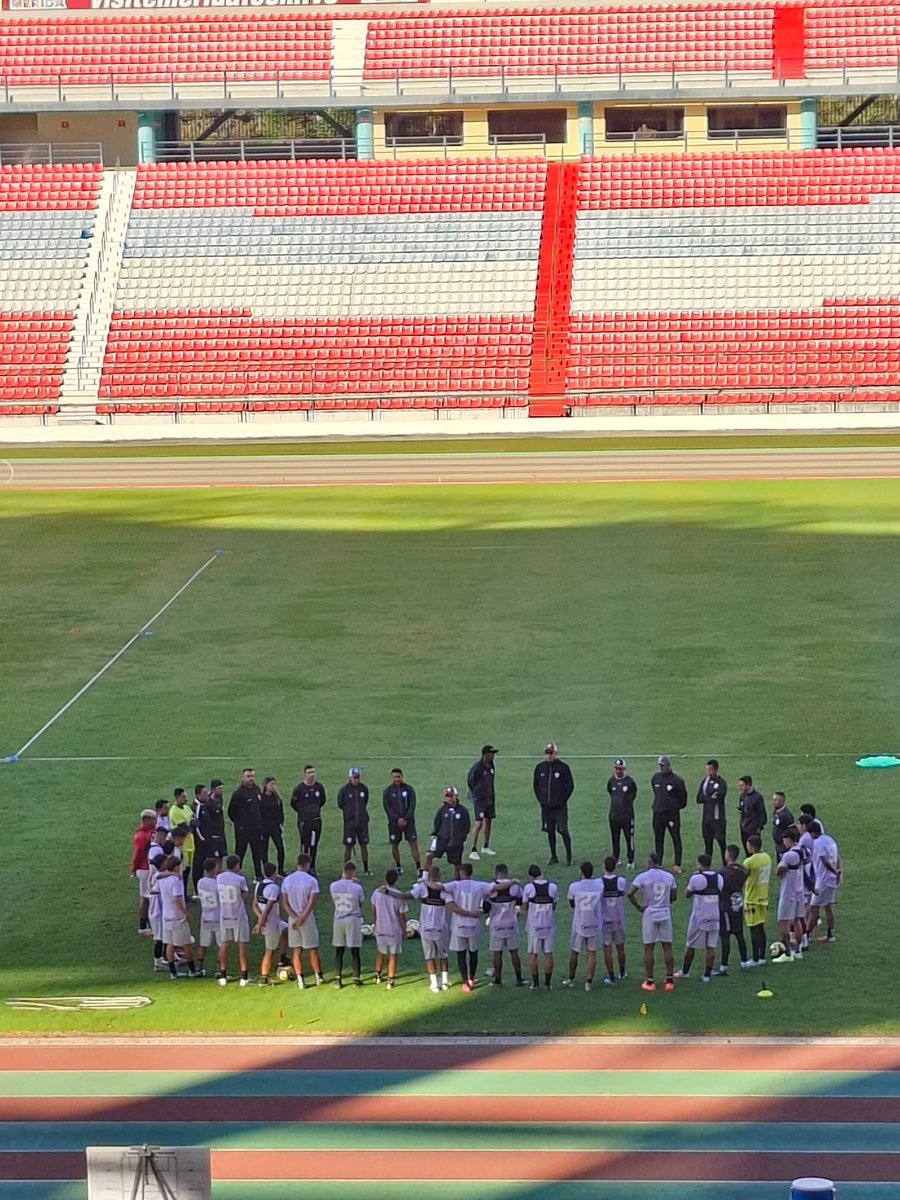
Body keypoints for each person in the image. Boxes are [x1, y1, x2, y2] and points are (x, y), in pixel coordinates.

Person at [628, 851, 677, 992]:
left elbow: (630, 893)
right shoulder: (669, 876)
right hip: (665, 912)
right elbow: (673, 896)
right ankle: (669, 980)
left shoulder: (643, 876)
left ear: (649, 862)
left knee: (649, 947)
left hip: (650, 913)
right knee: (667, 946)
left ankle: (650, 981)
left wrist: (639, 907)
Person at [444, 862, 494, 993]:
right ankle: (471, 978)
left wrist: (425, 881)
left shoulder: (454, 885)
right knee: (473, 952)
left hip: (458, 926)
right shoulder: (480, 885)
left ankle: (465, 981)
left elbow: (439, 888)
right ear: (471, 873)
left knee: (461, 954)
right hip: (474, 925)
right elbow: (495, 888)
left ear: (461, 872)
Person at [676, 854, 723, 983]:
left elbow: (687, 894)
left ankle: (685, 971)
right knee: (711, 946)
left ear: (700, 864)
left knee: (690, 944)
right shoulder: (719, 877)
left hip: (700, 916)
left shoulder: (696, 878)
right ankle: (707, 975)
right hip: (715, 915)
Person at [281, 852, 324, 987]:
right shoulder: (311, 881)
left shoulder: (287, 880)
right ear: (308, 864)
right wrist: (302, 918)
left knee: (296, 950)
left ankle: (300, 979)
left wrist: (295, 918)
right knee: (312, 949)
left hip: (292, 918)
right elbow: (311, 903)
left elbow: (284, 903)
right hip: (307, 918)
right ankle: (318, 976)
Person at [157, 855, 199, 979]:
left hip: (166, 916)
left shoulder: (162, 880)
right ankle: (192, 970)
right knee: (186, 944)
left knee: (170, 944)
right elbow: (177, 899)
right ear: (175, 867)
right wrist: (185, 912)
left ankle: (173, 972)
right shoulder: (176, 881)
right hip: (177, 916)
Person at [563, 861, 604, 991]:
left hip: (579, 923)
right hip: (595, 922)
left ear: (581, 872)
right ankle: (588, 982)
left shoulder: (574, 886)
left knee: (574, 951)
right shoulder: (599, 884)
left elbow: (571, 903)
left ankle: (571, 978)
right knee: (591, 953)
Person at [533, 742, 575, 866]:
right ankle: (553, 856)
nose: (549, 755)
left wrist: (562, 800)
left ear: (555, 753)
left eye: (551, 753)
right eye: (547, 753)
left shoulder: (563, 767)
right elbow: (536, 786)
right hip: (546, 807)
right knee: (550, 830)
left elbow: (570, 786)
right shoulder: (540, 768)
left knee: (563, 830)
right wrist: (541, 800)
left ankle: (569, 856)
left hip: (560, 808)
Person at [411, 866, 451, 993]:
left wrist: (389, 892)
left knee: (429, 956)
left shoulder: (422, 887)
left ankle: (434, 984)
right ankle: (445, 981)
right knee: (443, 955)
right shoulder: (445, 890)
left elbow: (408, 895)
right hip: (440, 928)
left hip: (426, 929)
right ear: (439, 875)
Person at [521, 863, 558, 990]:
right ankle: (547, 984)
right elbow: (554, 906)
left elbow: (524, 908)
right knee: (548, 954)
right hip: (548, 924)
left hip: (534, 926)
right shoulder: (553, 887)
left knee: (533, 954)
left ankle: (535, 984)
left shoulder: (528, 888)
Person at [216, 853, 251, 987]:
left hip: (224, 915)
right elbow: (245, 895)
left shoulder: (219, 877)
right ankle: (244, 976)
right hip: (239, 916)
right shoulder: (239, 879)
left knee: (225, 944)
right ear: (237, 864)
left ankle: (223, 974)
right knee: (242, 946)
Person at [715, 844, 750, 975]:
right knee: (739, 934)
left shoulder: (723, 872)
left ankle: (723, 967)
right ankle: (744, 962)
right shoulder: (743, 870)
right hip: (738, 904)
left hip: (725, 907)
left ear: (728, 854)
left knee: (725, 936)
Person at [487, 863, 524, 987]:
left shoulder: (492, 887)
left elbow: (486, 906)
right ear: (506, 872)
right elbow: (520, 900)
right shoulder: (514, 887)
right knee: (514, 951)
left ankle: (498, 980)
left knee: (497, 953)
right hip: (511, 922)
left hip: (496, 923)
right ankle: (519, 979)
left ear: (496, 872)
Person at [330, 861, 365, 989]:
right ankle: (356, 978)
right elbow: (360, 902)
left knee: (339, 950)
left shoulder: (333, 886)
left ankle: (337, 979)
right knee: (355, 950)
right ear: (353, 872)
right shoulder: (357, 887)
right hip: (352, 919)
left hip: (338, 919)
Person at [371, 868, 408, 989]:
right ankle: (390, 979)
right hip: (394, 929)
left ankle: (377, 974)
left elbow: (373, 910)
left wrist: (374, 924)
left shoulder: (377, 892)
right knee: (393, 955)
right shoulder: (398, 895)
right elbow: (402, 915)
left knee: (380, 952)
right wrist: (404, 930)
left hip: (380, 928)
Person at [773, 826, 806, 960]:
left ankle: (787, 952)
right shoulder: (802, 851)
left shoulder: (788, 855)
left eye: (785, 839)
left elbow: (778, 870)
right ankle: (798, 950)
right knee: (797, 920)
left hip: (788, 891)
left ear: (789, 839)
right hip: (799, 889)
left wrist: (782, 869)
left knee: (783, 921)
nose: (783, 842)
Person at [253, 862, 288, 987]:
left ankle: (283, 957)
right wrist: (260, 923)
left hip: (273, 921)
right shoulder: (274, 888)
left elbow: (254, 905)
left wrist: (259, 917)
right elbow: (268, 908)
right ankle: (264, 977)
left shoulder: (258, 885)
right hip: (271, 924)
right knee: (270, 950)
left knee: (286, 929)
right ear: (275, 872)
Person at [651, 756, 687, 874]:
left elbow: (683, 800)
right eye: (659, 765)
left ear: (668, 765)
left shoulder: (677, 780)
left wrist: (673, 807)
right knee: (658, 839)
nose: (660, 768)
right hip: (658, 814)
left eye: (662, 765)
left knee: (676, 838)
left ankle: (677, 864)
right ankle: (658, 863)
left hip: (672, 815)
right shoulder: (655, 778)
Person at [425, 786, 471, 880]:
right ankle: (424, 877)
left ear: (456, 796)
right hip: (442, 839)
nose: (449, 798)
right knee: (429, 855)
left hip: (456, 842)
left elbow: (466, 826)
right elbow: (437, 822)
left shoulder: (463, 811)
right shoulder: (442, 810)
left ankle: (457, 884)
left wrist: (461, 837)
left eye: (451, 796)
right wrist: (435, 834)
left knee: (457, 865)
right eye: (447, 796)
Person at [228, 767, 264, 882]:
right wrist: (240, 824)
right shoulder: (238, 793)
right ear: (243, 778)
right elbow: (231, 811)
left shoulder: (257, 789)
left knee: (257, 852)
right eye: (248, 776)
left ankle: (258, 874)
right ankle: (236, 873)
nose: (251, 778)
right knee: (240, 851)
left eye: (252, 776)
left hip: (256, 827)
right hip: (243, 829)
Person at [808, 820, 841, 944]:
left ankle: (807, 936)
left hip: (823, 880)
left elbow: (824, 861)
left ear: (812, 833)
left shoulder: (817, 843)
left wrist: (834, 872)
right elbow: (837, 857)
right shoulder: (830, 839)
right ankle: (830, 935)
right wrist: (838, 872)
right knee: (828, 906)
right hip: (831, 880)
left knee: (813, 908)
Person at [383, 768, 421, 876]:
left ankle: (418, 867)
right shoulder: (387, 792)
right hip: (394, 823)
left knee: (413, 844)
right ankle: (398, 866)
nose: (396, 779)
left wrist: (406, 818)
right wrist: (397, 819)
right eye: (394, 777)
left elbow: (412, 804)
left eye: (398, 777)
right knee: (394, 844)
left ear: (402, 777)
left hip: (408, 822)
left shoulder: (409, 789)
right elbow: (387, 807)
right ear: (391, 778)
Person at [193, 780, 228, 893]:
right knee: (200, 863)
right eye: (204, 793)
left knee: (217, 858)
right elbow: (196, 825)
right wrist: (203, 839)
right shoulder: (200, 807)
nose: (206, 795)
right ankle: (198, 889)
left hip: (212, 838)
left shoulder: (211, 803)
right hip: (204, 841)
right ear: (198, 794)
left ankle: (215, 883)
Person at [290, 765, 326, 873]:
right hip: (304, 822)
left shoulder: (319, 787)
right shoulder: (299, 789)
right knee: (305, 845)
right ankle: (302, 867)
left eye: (313, 772)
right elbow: (293, 803)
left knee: (313, 845)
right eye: (309, 773)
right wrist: (303, 812)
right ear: (305, 774)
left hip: (316, 821)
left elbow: (322, 801)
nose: (312, 775)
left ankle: (312, 867)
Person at [742, 834, 772, 966]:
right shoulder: (767, 857)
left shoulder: (749, 861)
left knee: (753, 928)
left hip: (752, 898)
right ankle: (762, 956)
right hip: (763, 896)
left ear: (751, 846)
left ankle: (755, 959)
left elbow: (743, 877)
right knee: (761, 927)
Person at [599, 856, 628, 985]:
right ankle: (622, 972)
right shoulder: (621, 881)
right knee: (620, 947)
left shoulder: (599, 883)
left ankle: (611, 976)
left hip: (605, 920)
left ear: (604, 866)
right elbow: (622, 893)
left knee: (607, 948)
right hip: (618, 918)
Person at [337, 767, 371, 876]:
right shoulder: (344, 791)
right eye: (354, 777)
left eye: (358, 777)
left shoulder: (364, 789)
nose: (357, 779)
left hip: (362, 822)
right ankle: (346, 869)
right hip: (350, 823)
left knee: (364, 845)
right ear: (350, 777)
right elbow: (340, 804)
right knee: (348, 846)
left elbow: (365, 801)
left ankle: (366, 868)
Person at [467, 744, 498, 861]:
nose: (493, 756)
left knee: (488, 821)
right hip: (480, 800)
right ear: (485, 754)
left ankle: (486, 846)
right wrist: (476, 795)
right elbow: (471, 781)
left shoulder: (491, 765)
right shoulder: (478, 767)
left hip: (490, 799)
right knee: (479, 822)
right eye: (491, 753)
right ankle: (473, 850)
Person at [131, 808, 157, 935]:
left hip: (147, 868)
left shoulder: (148, 832)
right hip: (144, 869)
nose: (155, 821)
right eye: (153, 819)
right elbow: (138, 853)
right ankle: (143, 926)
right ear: (146, 820)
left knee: (147, 896)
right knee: (145, 897)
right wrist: (134, 868)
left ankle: (147, 923)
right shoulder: (142, 835)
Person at [606, 758, 637, 869]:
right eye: (616, 769)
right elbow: (610, 792)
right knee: (615, 839)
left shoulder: (629, 782)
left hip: (627, 816)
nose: (618, 771)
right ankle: (616, 858)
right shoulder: (611, 781)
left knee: (629, 838)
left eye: (620, 769)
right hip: (614, 816)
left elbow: (634, 794)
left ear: (624, 769)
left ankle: (630, 860)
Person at [696, 759, 727, 862]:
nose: (708, 772)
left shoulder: (721, 783)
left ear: (715, 769)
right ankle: (706, 866)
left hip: (718, 818)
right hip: (706, 819)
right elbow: (698, 798)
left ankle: (726, 865)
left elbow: (718, 797)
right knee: (708, 845)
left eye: (710, 770)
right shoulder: (705, 782)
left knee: (722, 843)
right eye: (707, 769)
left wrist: (706, 797)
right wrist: (709, 797)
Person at [195, 857, 221, 977]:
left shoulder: (200, 882)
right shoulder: (217, 884)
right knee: (221, 944)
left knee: (203, 943)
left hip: (205, 916)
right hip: (217, 916)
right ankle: (219, 969)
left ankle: (199, 968)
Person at [169, 788, 195, 898]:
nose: (186, 799)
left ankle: (184, 893)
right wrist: (191, 825)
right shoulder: (174, 811)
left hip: (190, 844)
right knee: (182, 870)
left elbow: (195, 821)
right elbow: (184, 827)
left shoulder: (187, 807)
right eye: (183, 797)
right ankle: (181, 893)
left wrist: (192, 825)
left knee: (188, 869)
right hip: (182, 845)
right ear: (177, 797)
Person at [260, 777, 286, 876]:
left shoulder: (277, 798)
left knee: (280, 848)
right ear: (266, 785)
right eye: (271, 784)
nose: (273, 786)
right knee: (264, 850)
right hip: (264, 827)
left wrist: (281, 823)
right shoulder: (261, 798)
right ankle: (267, 871)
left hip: (275, 827)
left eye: (275, 784)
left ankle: (281, 870)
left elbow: (280, 813)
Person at [738, 776, 767, 845]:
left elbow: (762, 814)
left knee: (754, 851)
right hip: (744, 829)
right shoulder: (742, 796)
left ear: (748, 785)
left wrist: (759, 827)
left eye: (742, 785)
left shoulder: (758, 797)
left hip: (753, 830)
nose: (740, 788)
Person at [770, 791, 795, 862]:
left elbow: (792, 831)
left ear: (782, 801)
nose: (773, 802)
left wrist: (787, 843)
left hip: (784, 846)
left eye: (776, 800)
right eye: (773, 800)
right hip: (778, 844)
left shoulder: (787, 816)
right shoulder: (776, 811)